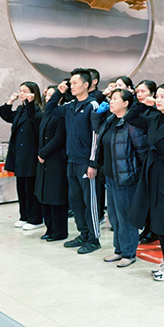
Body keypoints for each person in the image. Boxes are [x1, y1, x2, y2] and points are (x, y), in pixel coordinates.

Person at [125, 83, 164, 281]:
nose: (158, 100)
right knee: (158, 219)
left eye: (163, 97)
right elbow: (129, 117)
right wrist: (142, 103)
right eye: (157, 96)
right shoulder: (154, 118)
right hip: (153, 170)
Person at [45, 68, 102, 255]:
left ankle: (94, 238)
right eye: (70, 83)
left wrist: (92, 163)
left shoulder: (92, 105)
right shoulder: (70, 106)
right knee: (75, 200)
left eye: (75, 83)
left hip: (86, 162)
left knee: (89, 201)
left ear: (86, 85)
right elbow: (50, 110)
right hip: (71, 160)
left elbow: (96, 136)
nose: (71, 86)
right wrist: (58, 93)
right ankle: (83, 234)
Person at [95, 89, 148, 268]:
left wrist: (138, 176)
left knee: (126, 217)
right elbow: (96, 129)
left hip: (126, 178)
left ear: (126, 103)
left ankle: (129, 252)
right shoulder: (110, 120)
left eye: (115, 99)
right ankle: (118, 249)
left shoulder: (131, 124)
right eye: (111, 98)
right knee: (114, 216)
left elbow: (142, 152)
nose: (111, 101)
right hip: (111, 176)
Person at [0, 81, 44, 231]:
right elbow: (6, 115)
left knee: (30, 189)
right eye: (20, 90)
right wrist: (10, 101)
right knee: (21, 188)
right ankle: (24, 216)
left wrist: (30, 103)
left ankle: (35, 218)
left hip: (31, 154)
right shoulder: (20, 109)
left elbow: (34, 119)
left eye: (25, 91)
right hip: (19, 154)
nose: (22, 93)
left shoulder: (37, 110)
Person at [36, 85, 68, 242]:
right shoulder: (46, 114)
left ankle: (59, 231)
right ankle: (49, 228)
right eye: (47, 95)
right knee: (45, 195)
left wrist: (44, 152)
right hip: (44, 160)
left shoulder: (61, 113)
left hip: (56, 159)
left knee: (56, 197)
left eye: (51, 95)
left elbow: (58, 138)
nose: (48, 98)